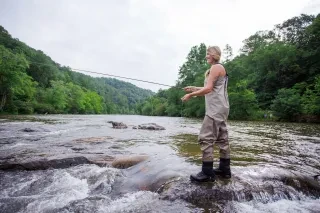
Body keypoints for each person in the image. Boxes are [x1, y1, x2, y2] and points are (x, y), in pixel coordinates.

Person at [181, 46, 230, 182]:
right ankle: (225, 170)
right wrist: (194, 88)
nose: (206, 56)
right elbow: (212, 87)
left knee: (205, 138)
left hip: (214, 109)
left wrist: (190, 94)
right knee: (222, 138)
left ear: (214, 54)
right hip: (222, 107)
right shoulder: (218, 68)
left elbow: (208, 89)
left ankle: (207, 172)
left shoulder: (215, 68)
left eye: (208, 54)